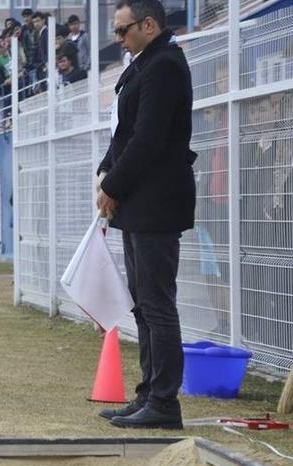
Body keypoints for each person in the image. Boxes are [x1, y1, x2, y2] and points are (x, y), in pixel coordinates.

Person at [95, 0, 196, 430]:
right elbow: (123, 133)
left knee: (157, 304)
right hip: (136, 202)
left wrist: (112, 186)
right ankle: (147, 393)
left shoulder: (165, 66)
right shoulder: (142, 65)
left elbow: (148, 139)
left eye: (124, 30)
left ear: (149, 24)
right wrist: (106, 170)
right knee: (142, 304)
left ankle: (164, 402)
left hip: (156, 201)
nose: (119, 40)